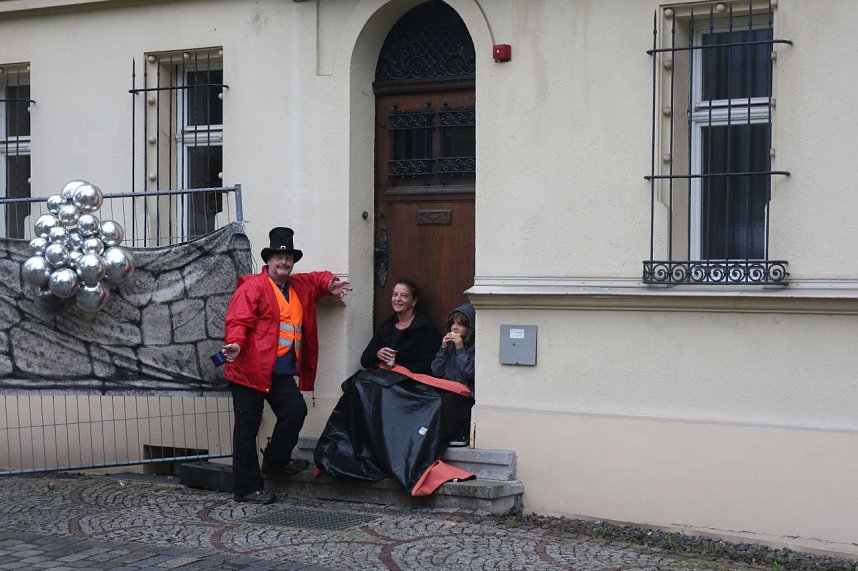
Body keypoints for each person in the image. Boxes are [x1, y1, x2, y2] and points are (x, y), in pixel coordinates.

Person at [221, 227, 351, 504]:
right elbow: (238, 321)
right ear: (268, 260)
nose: (284, 262)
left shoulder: (298, 286)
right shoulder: (252, 287)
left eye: (288, 258)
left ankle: (275, 462)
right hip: (248, 370)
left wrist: (330, 284)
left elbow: (317, 279)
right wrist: (236, 344)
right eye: (279, 258)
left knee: (294, 411)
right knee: (247, 429)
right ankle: (246, 488)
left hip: (279, 371)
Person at [360, 278, 441, 375]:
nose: (397, 299)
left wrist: (398, 369)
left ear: (414, 301)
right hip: (382, 379)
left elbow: (429, 366)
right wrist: (377, 354)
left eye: (404, 296)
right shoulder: (386, 326)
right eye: (395, 294)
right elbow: (364, 360)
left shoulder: (426, 329)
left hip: (409, 381)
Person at [431, 302, 476, 446]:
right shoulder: (449, 346)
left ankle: (460, 435)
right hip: (448, 387)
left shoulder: (474, 347)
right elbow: (436, 371)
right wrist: (443, 348)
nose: (454, 327)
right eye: (453, 323)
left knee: (450, 401)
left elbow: (469, 373)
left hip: (465, 393)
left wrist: (460, 349)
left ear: (470, 328)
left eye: (460, 324)